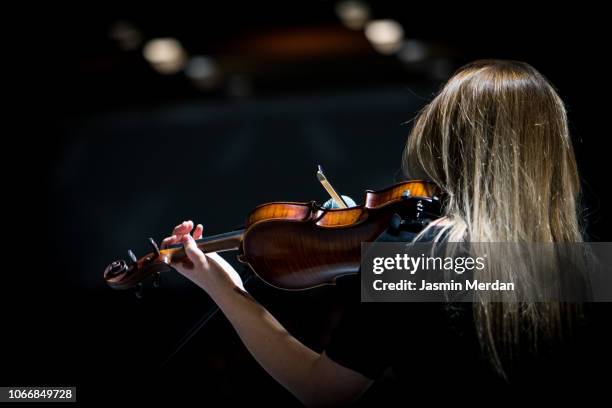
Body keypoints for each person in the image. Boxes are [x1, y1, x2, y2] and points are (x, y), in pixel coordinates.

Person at [160, 60, 586, 406]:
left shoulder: (421, 255)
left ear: (444, 142)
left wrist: (226, 289)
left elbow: (323, 391)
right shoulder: (584, 271)